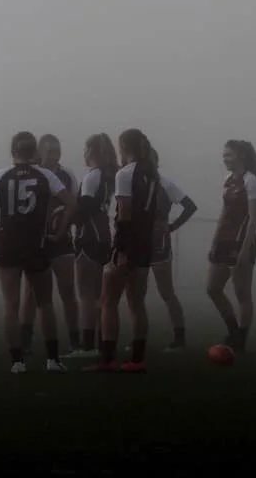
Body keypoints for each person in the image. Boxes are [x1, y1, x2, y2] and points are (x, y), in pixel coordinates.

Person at [0, 131, 77, 374]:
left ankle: (17, 361)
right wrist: (59, 233)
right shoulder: (46, 175)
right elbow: (71, 203)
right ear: (35, 152)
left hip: (8, 243)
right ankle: (52, 359)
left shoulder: (1, 175)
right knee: (45, 303)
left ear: (13, 151)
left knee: (11, 304)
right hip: (35, 244)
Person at [86, 129, 159, 373]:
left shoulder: (125, 173)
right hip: (145, 244)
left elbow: (125, 215)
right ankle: (137, 360)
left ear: (123, 147)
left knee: (108, 301)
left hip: (128, 245)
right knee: (137, 303)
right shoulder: (152, 174)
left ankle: (107, 360)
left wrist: (122, 250)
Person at [20, 134, 80, 355]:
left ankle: (75, 339)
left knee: (67, 289)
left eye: (58, 149)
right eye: (50, 150)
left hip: (61, 240)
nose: (56, 154)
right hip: (37, 241)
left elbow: (74, 204)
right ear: (39, 152)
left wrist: (63, 227)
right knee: (31, 292)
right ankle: (25, 338)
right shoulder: (31, 174)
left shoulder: (66, 174)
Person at [206, 140, 256, 353]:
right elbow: (224, 212)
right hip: (223, 241)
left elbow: (254, 218)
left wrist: (245, 249)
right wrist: (214, 240)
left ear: (241, 156)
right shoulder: (228, 179)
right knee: (212, 289)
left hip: (241, 242)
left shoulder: (251, 181)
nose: (224, 159)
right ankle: (233, 331)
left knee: (242, 294)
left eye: (228, 155)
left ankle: (241, 339)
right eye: (224, 155)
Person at [65, 134, 117, 359]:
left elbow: (84, 209)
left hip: (89, 236)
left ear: (92, 151)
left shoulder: (93, 176)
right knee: (97, 295)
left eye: (86, 149)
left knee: (86, 294)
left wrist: (64, 216)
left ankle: (87, 347)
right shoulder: (108, 175)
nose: (83, 154)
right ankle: (98, 343)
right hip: (104, 234)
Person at [147, 147, 197, 352]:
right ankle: (138, 339)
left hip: (158, 244)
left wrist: (172, 226)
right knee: (135, 293)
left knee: (166, 292)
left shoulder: (164, 183)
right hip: (136, 243)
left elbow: (190, 206)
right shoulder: (131, 181)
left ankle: (180, 338)